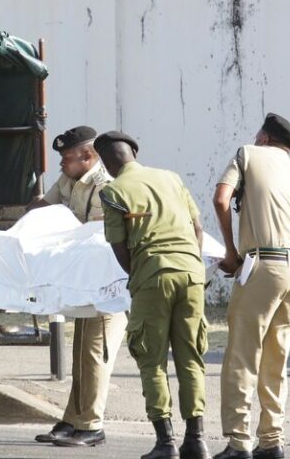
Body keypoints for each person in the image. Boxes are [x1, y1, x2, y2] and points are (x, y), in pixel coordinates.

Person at [96, 131, 210, 459]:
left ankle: (165, 443)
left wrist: (142, 274)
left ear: (106, 162)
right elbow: (198, 228)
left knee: (151, 357)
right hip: (191, 274)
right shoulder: (171, 178)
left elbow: (118, 246)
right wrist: (191, 263)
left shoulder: (114, 191)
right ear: (133, 152)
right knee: (191, 358)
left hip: (152, 276)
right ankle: (196, 440)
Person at [212, 113, 290, 459]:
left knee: (242, 353)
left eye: (258, 136)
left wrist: (231, 253)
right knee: (276, 356)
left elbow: (221, 199)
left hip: (264, 265)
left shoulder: (247, 154)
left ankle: (238, 442)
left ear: (266, 139)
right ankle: (272, 440)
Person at [29, 126, 128, 447]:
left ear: (88, 157)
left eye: (67, 158)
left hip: (107, 283)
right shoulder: (70, 179)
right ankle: (72, 420)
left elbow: (94, 234)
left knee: (97, 354)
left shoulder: (105, 186)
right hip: (84, 283)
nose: (61, 164)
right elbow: (45, 208)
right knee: (81, 354)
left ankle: (92, 425)